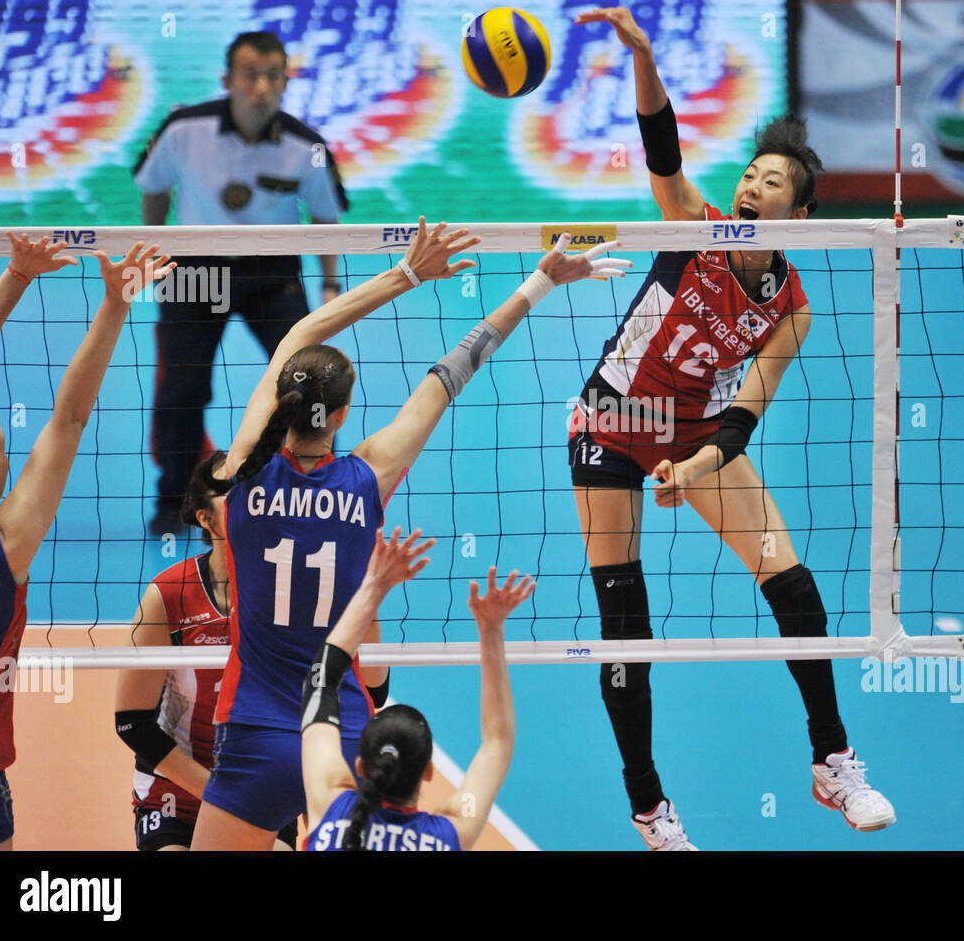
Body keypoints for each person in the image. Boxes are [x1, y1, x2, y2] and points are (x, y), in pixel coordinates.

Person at [188, 220, 630, 850]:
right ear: (341, 414)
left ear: (283, 405)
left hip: (255, 732)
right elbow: (452, 373)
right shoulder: (368, 477)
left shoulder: (238, 479)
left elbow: (298, 336)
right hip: (343, 728)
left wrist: (407, 272)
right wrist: (538, 282)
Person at [569, 7, 896, 849]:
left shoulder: (792, 310)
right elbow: (662, 146)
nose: (752, 186)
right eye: (750, 172)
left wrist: (695, 463)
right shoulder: (696, 226)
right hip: (612, 415)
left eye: (773, 181)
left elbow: (746, 413)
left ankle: (833, 760)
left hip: (697, 434)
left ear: (802, 213)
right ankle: (650, 805)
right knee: (625, 626)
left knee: (792, 582)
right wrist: (644, 61)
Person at [0, 237, 172, 851]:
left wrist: (14, 277)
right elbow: (69, 418)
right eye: (6, 454)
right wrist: (115, 303)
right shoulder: (3, 548)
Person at [134, 30, 349, 535]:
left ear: (285, 80)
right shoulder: (184, 129)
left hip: (271, 274)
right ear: (227, 80)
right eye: (249, 75)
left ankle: (319, 486)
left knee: (311, 382)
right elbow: (153, 187)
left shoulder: (307, 146)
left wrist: (331, 288)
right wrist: (154, 249)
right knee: (182, 388)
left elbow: (325, 218)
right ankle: (177, 502)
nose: (261, 86)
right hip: (195, 269)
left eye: (272, 75)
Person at [114, 452, 374, 850]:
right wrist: (221, 793)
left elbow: (372, 693)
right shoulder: (167, 596)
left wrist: (367, 592)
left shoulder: (296, 592)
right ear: (205, 518)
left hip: (263, 786)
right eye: (231, 491)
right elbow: (133, 723)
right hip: (178, 796)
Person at [301, 527, 532, 852]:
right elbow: (498, 742)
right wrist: (490, 630)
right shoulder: (447, 836)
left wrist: (375, 586)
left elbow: (320, 681)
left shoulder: (329, 802)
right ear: (428, 772)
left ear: (359, 767)